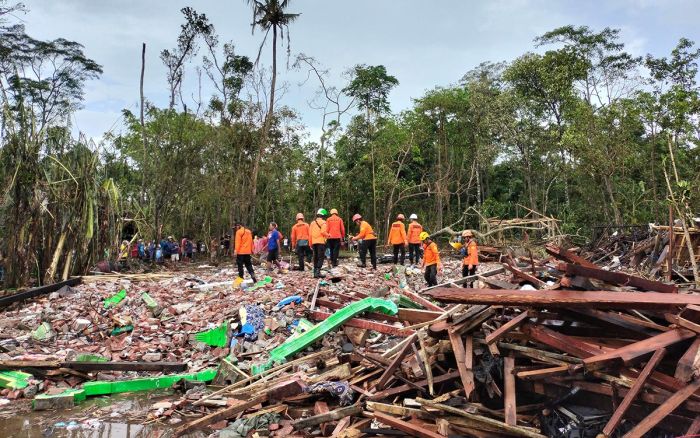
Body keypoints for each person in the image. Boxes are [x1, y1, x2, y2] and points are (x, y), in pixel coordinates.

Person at [310, 209, 329, 278]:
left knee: (315, 257)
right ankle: (318, 272)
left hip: (314, 242)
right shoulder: (324, 223)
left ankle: (315, 272)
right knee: (321, 257)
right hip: (321, 242)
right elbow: (323, 232)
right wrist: (328, 235)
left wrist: (310, 243)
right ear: (323, 216)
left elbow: (310, 234)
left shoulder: (312, 223)